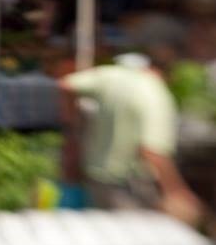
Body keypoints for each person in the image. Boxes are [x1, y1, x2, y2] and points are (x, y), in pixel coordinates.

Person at [59, 58, 203, 224]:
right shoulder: (154, 94)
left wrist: (72, 126)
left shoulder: (111, 75)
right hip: (129, 183)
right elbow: (151, 150)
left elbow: (65, 85)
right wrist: (175, 191)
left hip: (97, 174)